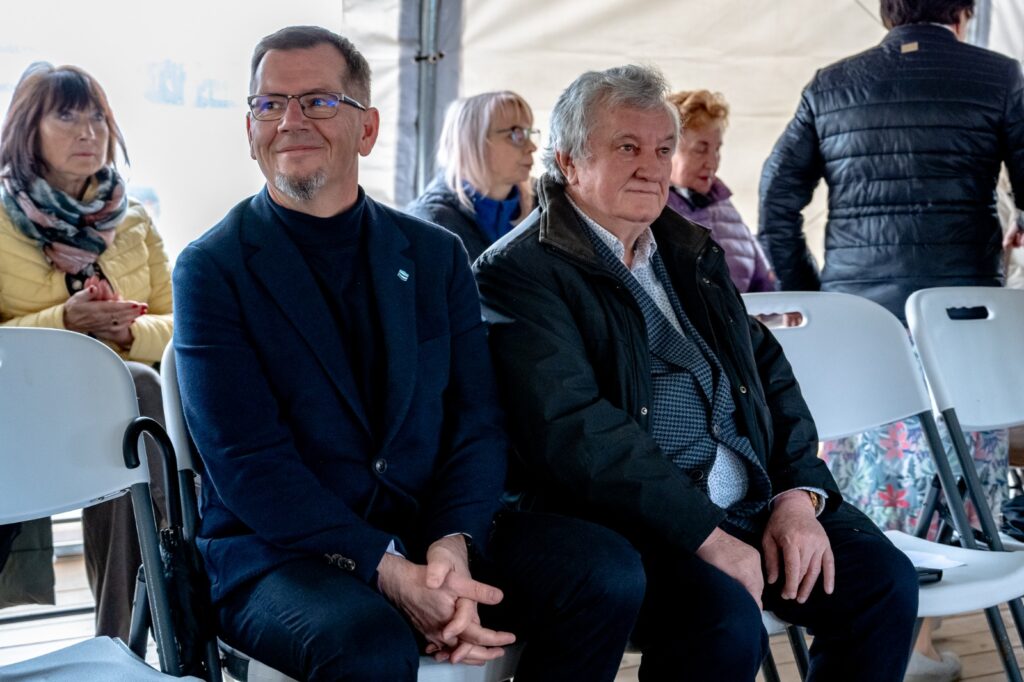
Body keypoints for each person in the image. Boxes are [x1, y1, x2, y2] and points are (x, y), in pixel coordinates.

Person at [173, 26, 643, 682]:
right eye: (269, 104)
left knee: (606, 573)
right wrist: (388, 570)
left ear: (367, 130)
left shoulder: (433, 255)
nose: (290, 121)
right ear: (250, 130)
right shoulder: (212, 269)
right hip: (281, 552)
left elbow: (477, 421)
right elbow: (249, 465)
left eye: (318, 102)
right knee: (369, 642)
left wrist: (453, 542)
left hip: (428, 528)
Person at [474, 64, 919, 681]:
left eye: (663, 149)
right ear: (570, 162)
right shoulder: (519, 271)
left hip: (754, 502)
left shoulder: (687, 251)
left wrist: (797, 497)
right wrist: (705, 533)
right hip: (636, 522)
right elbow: (572, 430)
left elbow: (769, 376)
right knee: (724, 620)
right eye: (626, 147)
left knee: (883, 582)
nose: (651, 167)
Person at [758, 2, 1024, 676]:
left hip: (858, 330)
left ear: (886, 11)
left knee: (867, 486)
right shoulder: (1000, 77)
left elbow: (777, 200)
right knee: (961, 486)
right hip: (959, 328)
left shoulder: (831, 84)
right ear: (964, 10)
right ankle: (917, 645)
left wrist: (817, 299)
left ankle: (890, 644)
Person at [0, 62, 172, 639]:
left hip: (115, 413)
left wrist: (126, 334)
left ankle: (119, 644)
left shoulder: (134, 220)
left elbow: (179, 323)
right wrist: (66, 322)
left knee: (134, 400)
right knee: (135, 405)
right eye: (68, 117)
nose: (88, 132)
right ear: (27, 130)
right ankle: (174, 573)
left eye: (97, 117)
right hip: (20, 413)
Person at [665, 89, 776, 293]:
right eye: (701, 149)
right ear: (666, 150)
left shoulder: (725, 206)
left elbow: (766, 283)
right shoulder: (649, 210)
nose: (712, 162)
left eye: (717, 149)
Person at [406, 91, 536, 262]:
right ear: (471, 142)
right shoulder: (431, 222)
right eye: (516, 134)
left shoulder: (544, 205)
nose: (532, 147)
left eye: (529, 133)